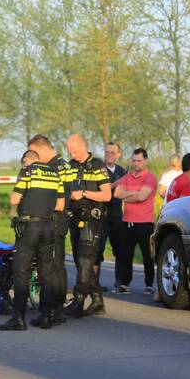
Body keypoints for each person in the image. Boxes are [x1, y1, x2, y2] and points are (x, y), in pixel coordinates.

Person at [0, 149, 64, 331]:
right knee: (46, 273)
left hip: (30, 228)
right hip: (49, 227)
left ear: (27, 160)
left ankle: (18, 318)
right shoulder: (55, 174)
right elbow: (60, 205)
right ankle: (46, 317)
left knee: (21, 272)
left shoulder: (27, 172)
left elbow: (13, 199)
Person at [64, 134, 112, 317]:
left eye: (74, 150)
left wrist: (83, 193)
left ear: (83, 146)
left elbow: (107, 195)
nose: (72, 153)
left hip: (92, 220)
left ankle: (78, 300)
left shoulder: (98, 165)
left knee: (85, 260)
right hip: (74, 219)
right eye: (69, 151)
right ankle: (98, 301)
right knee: (80, 262)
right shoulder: (70, 166)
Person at [27, 134, 71, 326]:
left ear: (42, 149)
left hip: (52, 220)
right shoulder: (65, 164)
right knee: (58, 265)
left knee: (49, 267)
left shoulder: (52, 168)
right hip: (62, 220)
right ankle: (58, 308)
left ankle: (50, 310)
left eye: (35, 153)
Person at [112, 148, 157, 295]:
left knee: (147, 256)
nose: (136, 163)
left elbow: (142, 197)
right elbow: (117, 193)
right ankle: (124, 284)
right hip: (127, 222)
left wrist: (128, 196)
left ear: (146, 161)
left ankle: (149, 285)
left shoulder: (150, 178)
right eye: (134, 160)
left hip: (145, 223)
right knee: (125, 255)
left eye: (139, 161)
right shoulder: (127, 177)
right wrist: (133, 193)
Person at [98, 141, 127, 293]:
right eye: (107, 152)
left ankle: (120, 282)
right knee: (98, 250)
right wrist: (117, 183)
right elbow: (104, 189)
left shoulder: (122, 170)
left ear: (118, 154)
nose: (109, 155)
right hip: (101, 216)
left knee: (120, 250)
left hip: (117, 216)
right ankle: (94, 283)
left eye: (113, 152)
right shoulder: (99, 169)